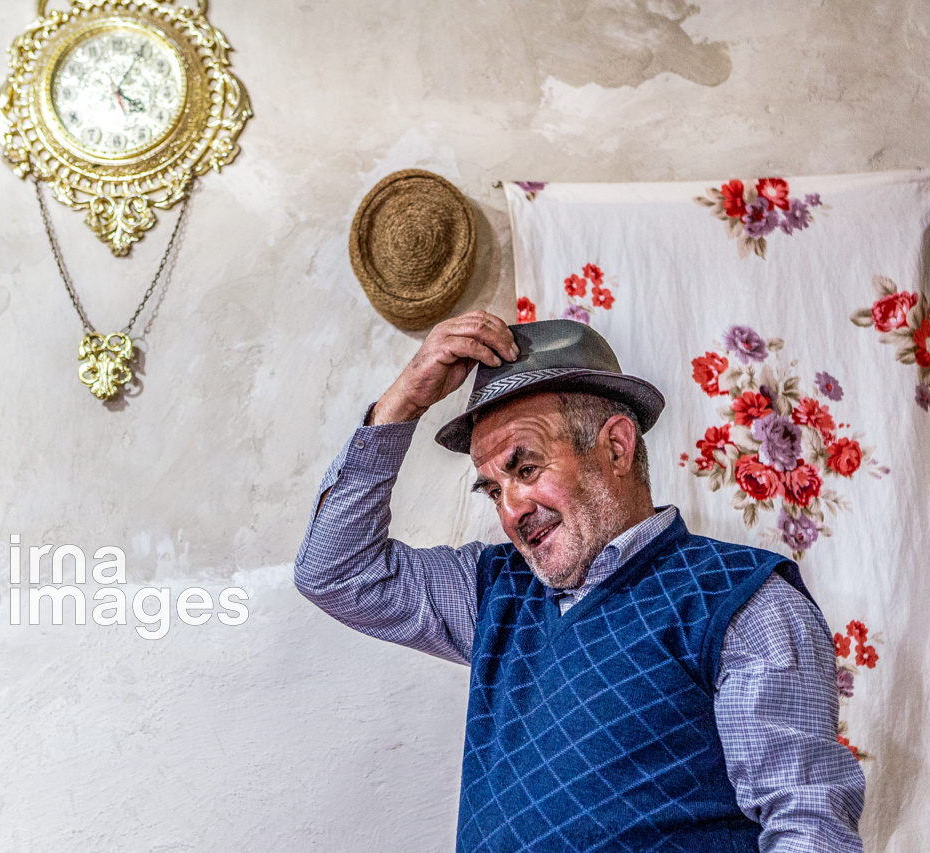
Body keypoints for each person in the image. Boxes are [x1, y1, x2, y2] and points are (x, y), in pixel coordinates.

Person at [295, 311, 865, 852]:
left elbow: (807, 825)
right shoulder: (496, 592)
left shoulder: (741, 601)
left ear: (616, 447)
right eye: (493, 489)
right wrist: (402, 403)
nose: (511, 510)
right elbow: (334, 570)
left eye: (525, 469)